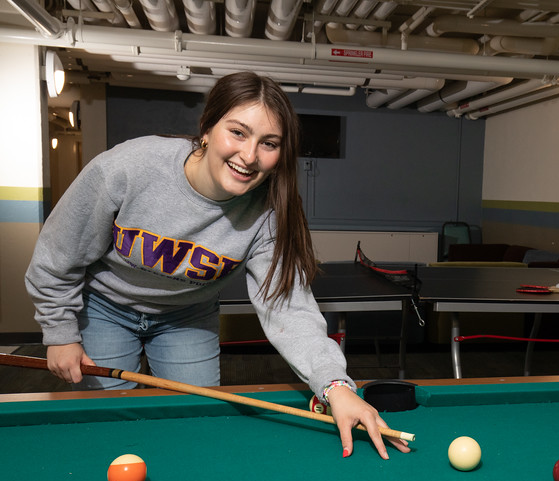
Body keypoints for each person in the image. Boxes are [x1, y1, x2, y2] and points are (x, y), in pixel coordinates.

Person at [25, 71, 410, 459]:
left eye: (269, 143)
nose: (249, 156)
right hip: (105, 309)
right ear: (207, 128)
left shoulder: (269, 215)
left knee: (198, 429)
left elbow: (289, 309)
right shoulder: (127, 168)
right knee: (103, 428)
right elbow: (58, 255)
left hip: (187, 316)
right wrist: (60, 332)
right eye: (238, 132)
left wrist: (336, 387)